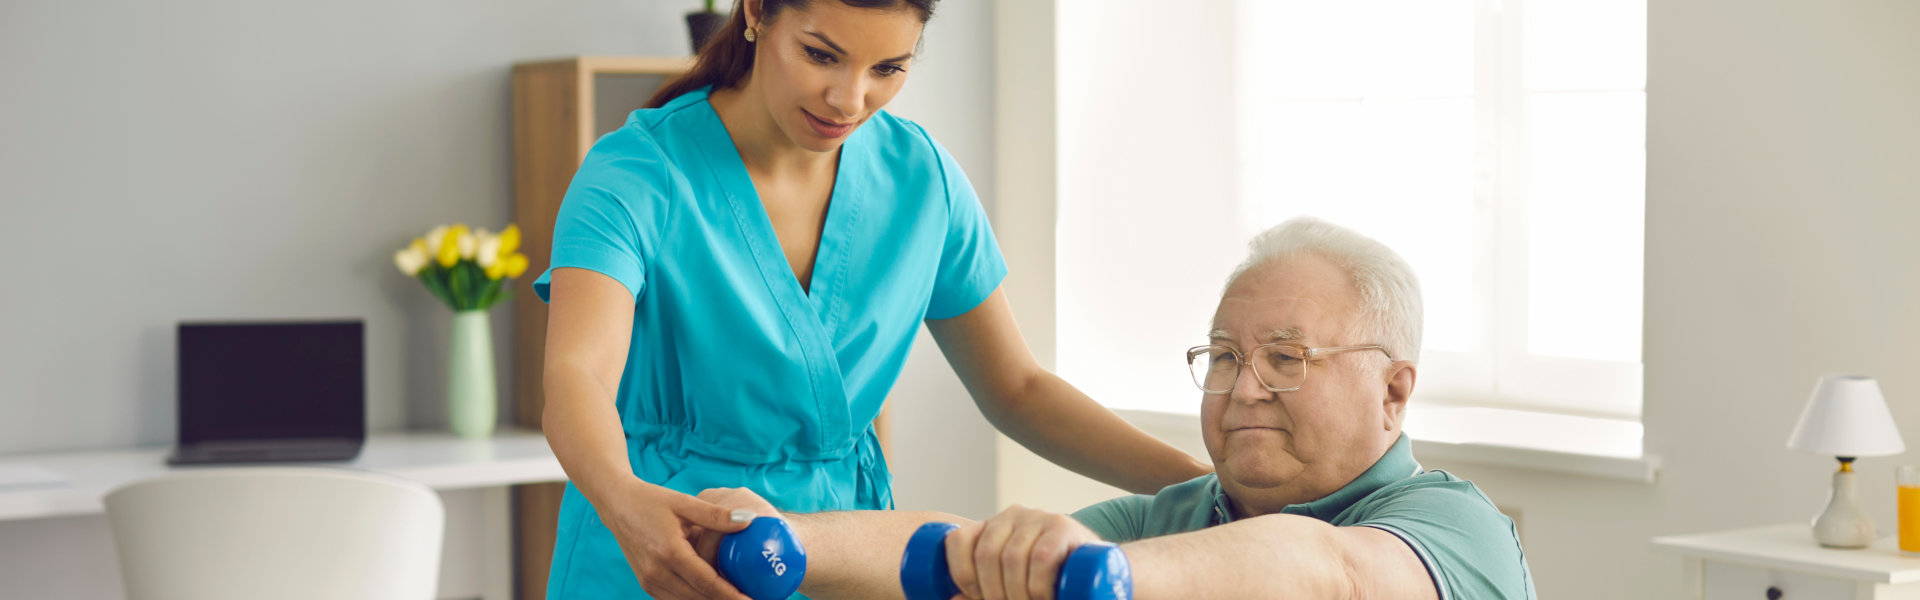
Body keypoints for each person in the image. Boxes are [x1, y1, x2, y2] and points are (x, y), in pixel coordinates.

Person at [532, 0, 1211, 597]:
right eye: (820, 55)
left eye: (888, 68)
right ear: (756, 11)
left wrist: (1205, 490)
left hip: (844, 558)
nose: (848, 99)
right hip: (664, 550)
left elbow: (1020, 388)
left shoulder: (923, 182)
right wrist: (624, 505)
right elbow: (577, 374)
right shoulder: (636, 174)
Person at [699, 217, 1537, 599]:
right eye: (1225, 357)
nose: (1244, 388)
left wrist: (1111, 576)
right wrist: (784, 539)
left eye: (1286, 359)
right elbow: (963, 555)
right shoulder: (1161, 520)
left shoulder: (1452, 528)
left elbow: (1328, 573)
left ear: (1394, 390)